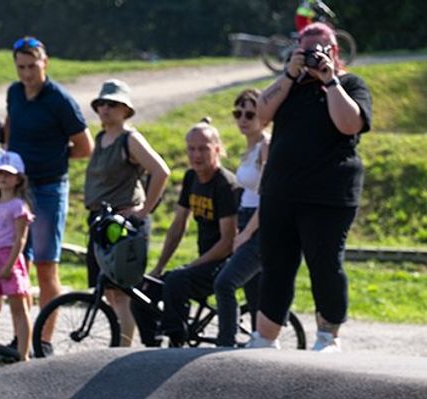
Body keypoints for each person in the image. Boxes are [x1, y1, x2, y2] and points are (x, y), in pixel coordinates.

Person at [250, 23, 370, 353]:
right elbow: (261, 113)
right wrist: (290, 74)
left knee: (325, 265)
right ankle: (264, 339)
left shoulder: (350, 84)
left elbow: (349, 124)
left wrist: (329, 79)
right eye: (307, 49)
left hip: (328, 195)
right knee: (276, 265)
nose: (315, 55)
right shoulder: (289, 86)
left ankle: (329, 337)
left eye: (323, 49)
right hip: (281, 192)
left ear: (335, 51)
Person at [4, 37, 93, 354]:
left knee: (45, 265)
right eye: (21, 67)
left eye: (32, 66)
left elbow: (85, 147)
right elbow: (11, 130)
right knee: (18, 265)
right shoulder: (14, 92)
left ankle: (43, 339)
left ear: (45, 63)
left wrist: (54, 156)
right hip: (18, 190)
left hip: (50, 187)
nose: (27, 73)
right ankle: (23, 337)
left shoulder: (59, 100)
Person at [83, 79, 170, 347]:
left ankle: (121, 353)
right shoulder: (100, 138)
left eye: (112, 104)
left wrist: (144, 210)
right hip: (101, 221)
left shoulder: (130, 139)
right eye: (101, 104)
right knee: (109, 292)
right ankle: (121, 347)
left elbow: (161, 171)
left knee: (121, 294)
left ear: (125, 109)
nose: (105, 109)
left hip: (123, 223)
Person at [148, 120, 238, 347]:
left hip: (224, 264)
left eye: (203, 148)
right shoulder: (191, 178)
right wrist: (158, 268)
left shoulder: (225, 185)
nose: (196, 154)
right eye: (192, 148)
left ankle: (176, 345)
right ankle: (151, 345)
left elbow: (228, 242)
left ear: (217, 149)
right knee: (147, 287)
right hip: (203, 262)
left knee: (178, 279)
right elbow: (178, 226)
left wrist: (193, 265)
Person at [213, 89, 269, 347]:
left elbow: (268, 196)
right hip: (247, 221)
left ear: (264, 116)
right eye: (238, 113)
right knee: (254, 294)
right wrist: (240, 227)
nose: (243, 119)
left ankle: (226, 343)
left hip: (261, 227)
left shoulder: (265, 146)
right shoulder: (248, 149)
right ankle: (260, 347)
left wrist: (246, 234)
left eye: (250, 114)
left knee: (225, 283)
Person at [0, 150, 33, 360]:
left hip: (9, 258)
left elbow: (20, 239)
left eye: (8, 174)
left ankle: (23, 353)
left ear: (19, 178)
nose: (3, 177)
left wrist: (9, 266)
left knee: (18, 305)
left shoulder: (19, 206)